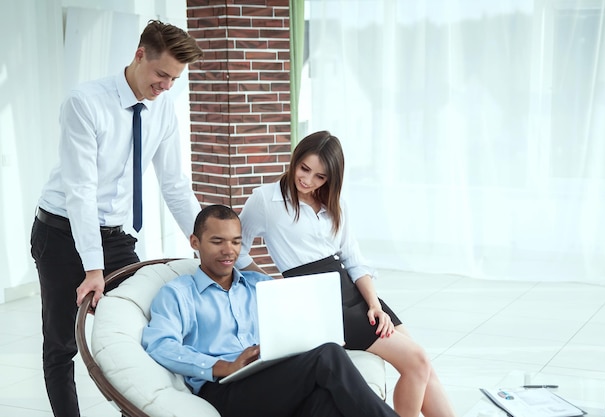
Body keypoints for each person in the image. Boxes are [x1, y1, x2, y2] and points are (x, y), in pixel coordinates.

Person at [30, 20, 203, 417]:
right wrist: (93, 267)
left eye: (175, 79)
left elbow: (175, 185)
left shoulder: (163, 110)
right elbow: (80, 192)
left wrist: (205, 242)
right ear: (139, 54)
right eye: (162, 75)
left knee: (140, 331)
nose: (166, 87)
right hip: (59, 231)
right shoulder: (85, 102)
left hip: (116, 235)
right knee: (62, 343)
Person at [235, 131, 457, 417]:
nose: (308, 180)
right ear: (295, 159)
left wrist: (375, 305)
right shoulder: (266, 200)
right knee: (416, 361)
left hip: (352, 290)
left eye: (320, 177)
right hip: (323, 303)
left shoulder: (334, 205)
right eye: (304, 168)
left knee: (425, 367)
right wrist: (273, 284)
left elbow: (353, 260)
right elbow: (238, 250)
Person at [141, 204, 400, 417]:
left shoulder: (260, 285)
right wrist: (224, 366)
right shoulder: (178, 293)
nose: (228, 250)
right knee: (328, 356)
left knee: (326, 403)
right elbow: (160, 345)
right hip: (223, 389)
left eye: (235, 242)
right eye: (217, 241)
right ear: (195, 242)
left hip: (272, 379)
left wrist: (317, 334)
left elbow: (294, 328)